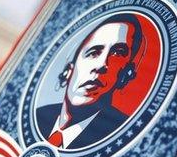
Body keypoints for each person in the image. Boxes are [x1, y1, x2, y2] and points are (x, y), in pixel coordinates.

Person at [37, 13, 143, 149]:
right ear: (68, 71)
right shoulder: (39, 115)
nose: (101, 64)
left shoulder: (127, 135)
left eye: (117, 53)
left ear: (126, 75)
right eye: (93, 52)